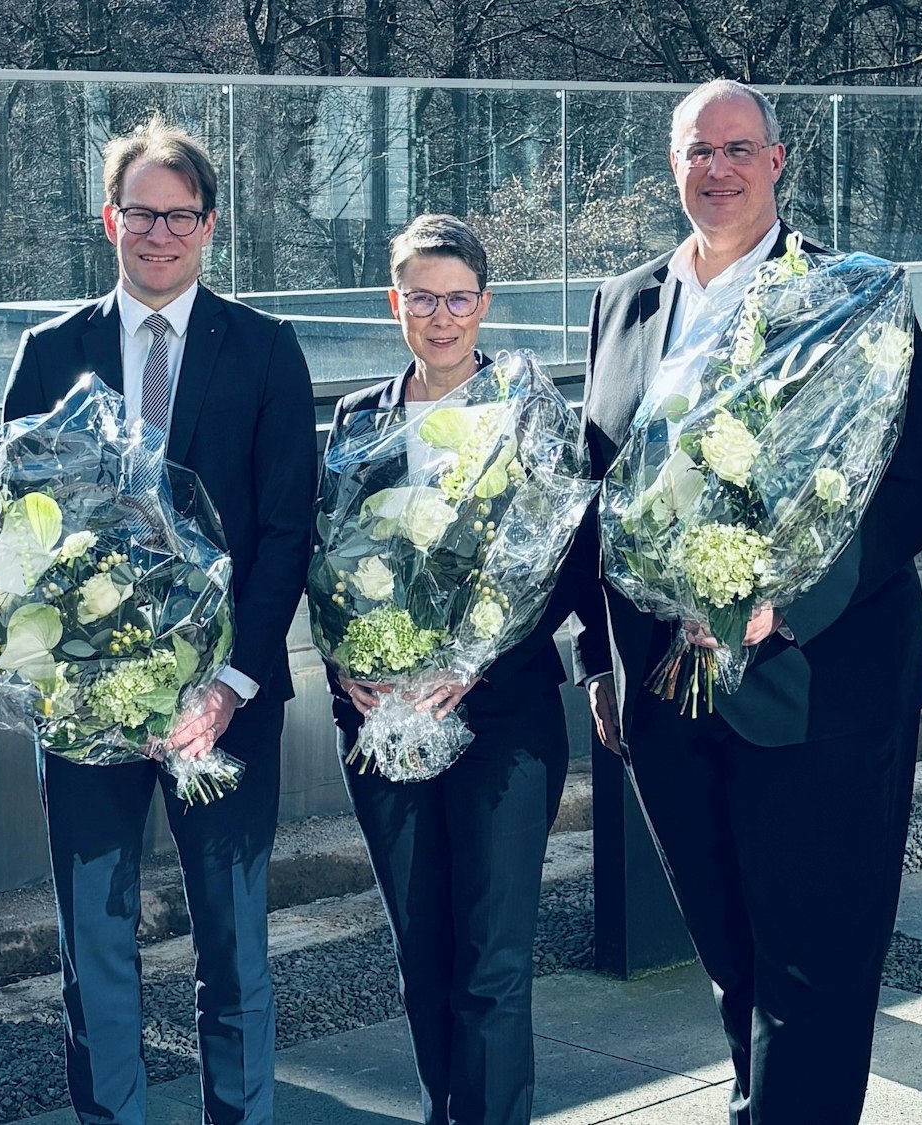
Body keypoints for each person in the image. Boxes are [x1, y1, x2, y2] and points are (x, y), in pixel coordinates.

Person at [574, 79, 922, 1123]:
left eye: (739, 148)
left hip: (815, 683)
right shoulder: (624, 300)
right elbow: (592, 492)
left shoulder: (849, 293)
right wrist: (596, 663)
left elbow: (910, 479)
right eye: (698, 150)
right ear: (672, 164)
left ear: (777, 161)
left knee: (814, 965)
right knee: (727, 950)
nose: (718, 168)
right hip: (664, 691)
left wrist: (782, 605)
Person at [1, 115, 316, 1125]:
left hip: (221, 707)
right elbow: (10, 532)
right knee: (94, 947)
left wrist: (228, 686)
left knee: (232, 946)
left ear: (209, 226)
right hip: (85, 711)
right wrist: (57, 674)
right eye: (141, 212)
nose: (159, 233)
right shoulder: (49, 351)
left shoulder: (265, 351)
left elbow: (283, 531)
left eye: (180, 216)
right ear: (110, 219)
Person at [322, 214, 573, 1125]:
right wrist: (343, 663)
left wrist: (473, 661)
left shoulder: (527, 409)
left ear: (484, 303)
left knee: (493, 958)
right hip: (384, 721)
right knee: (422, 950)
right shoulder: (356, 422)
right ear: (395, 303)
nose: (439, 316)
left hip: (501, 719)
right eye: (421, 297)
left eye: (457, 298)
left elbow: (563, 566)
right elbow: (329, 565)